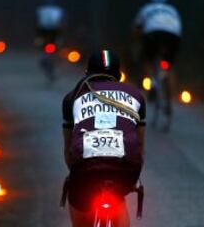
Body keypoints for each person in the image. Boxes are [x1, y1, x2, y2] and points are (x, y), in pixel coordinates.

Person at [61, 50, 146, 227]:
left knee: (78, 195)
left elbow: (68, 148)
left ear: (87, 74)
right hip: (125, 167)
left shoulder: (72, 97)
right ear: (119, 76)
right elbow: (140, 145)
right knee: (119, 197)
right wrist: (134, 176)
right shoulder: (136, 95)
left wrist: (75, 172)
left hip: (86, 168)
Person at [134, 0, 182, 74]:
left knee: (146, 60)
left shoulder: (146, 8)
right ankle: (169, 80)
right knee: (169, 67)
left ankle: (147, 81)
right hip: (173, 36)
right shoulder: (172, 9)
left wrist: (138, 40)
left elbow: (137, 29)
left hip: (153, 34)